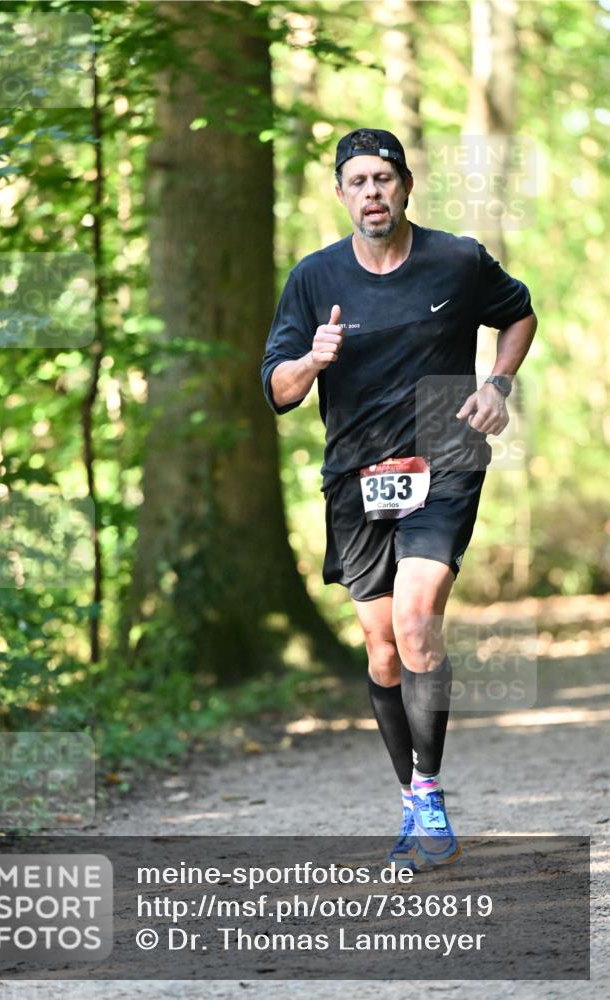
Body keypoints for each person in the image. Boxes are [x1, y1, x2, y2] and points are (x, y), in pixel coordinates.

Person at [261, 127, 537, 870]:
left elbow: (518, 313)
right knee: (383, 649)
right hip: (354, 468)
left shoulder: (456, 257)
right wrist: (310, 362)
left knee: (417, 624)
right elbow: (277, 390)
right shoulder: (314, 279)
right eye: (357, 181)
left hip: (443, 451)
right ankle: (415, 800)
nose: (372, 192)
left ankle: (429, 794)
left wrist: (497, 383)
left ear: (406, 186)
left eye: (383, 178)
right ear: (341, 194)